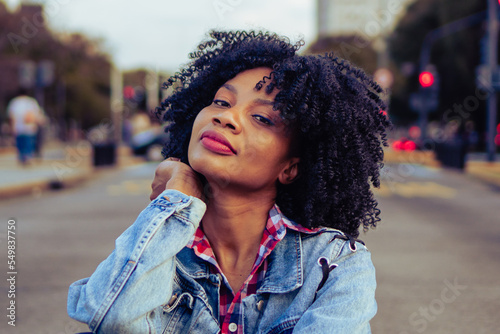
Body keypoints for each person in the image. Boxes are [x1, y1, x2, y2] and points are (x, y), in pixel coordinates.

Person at [67, 30, 391, 333]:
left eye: (262, 118)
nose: (226, 117)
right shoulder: (159, 249)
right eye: (222, 101)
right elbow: (111, 319)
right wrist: (178, 200)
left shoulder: (335, 266)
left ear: (290, 167)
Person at [7, 88, 45, 165]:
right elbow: (36, 113)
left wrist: (11, 127)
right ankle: (28, 156)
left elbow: (11, 116)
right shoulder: (31, 102)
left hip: (18, 127)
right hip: (30, 127)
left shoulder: (14, 102)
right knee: (29, 143)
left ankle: (22, 157)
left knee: (20, 143)